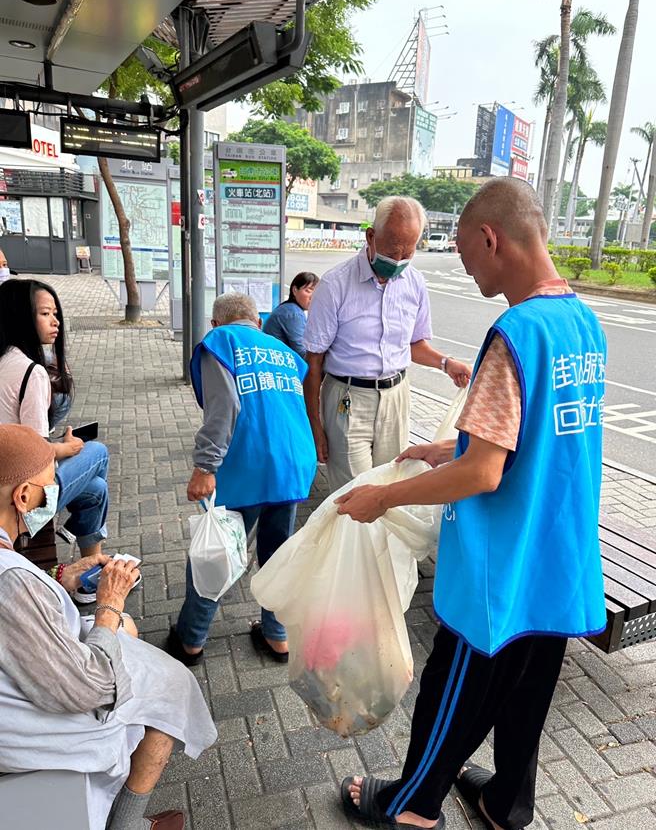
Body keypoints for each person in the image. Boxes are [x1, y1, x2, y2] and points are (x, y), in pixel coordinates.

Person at [335, 178, 608, 830]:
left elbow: (485, 473)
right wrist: (444, 447)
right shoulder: (582, 322)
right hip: (560, 557)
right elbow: (530, 435)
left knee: (451, 690)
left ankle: (413, 806)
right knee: (528, 690)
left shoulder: (514, 333)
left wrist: (384, 496)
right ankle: (506, 799)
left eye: (462, 251)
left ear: (491, 238)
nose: (461, 264)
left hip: (500, 562)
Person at [0, 424, 217, 830]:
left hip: (23, 686)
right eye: (49, 489)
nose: (53, 498)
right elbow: (89, 689)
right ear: (23, 496)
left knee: (129, 633)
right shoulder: (10, 581)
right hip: (29, 728)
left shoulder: (12, 570)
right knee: (168, 687)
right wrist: (109, 605)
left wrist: (60, 575)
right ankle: (127, 823)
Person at [167, 292, 317, 666]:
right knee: (278, 553)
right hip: (294, 463)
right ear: (259, 322)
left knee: (216, 551)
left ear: (215, 324)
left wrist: (205, 466)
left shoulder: (219, 342)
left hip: (248, 465)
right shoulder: (284, 353)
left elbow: (224, 407)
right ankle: (277, 634)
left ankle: (191, 639)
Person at [303, 196, 472, 493]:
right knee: (352, 496)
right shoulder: (335, 285)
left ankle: (380, 542)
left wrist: (446, 364)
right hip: (347, 398)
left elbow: (414, 344)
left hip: (396, 396)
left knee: (391, 485)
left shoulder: (414, 282)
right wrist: (316, 427)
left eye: (408, 253)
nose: (398, 262)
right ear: (371, 236)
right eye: (392, 252)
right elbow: (313, 363)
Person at [0, 279, 110, 570]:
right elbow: (35, 456)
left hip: (7, 480)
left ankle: (88, 571)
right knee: (97, 452)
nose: (55, 321)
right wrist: (65, 447)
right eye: (45, 313)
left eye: (56, 314)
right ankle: (55, 527)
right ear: (21, 316)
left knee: (96, 490)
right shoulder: (30, 372)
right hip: (19, 496)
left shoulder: (5, 360)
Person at [263, 271, 319, 357]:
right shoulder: (293, 313)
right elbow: (302, 352)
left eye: (316, 292)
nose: (312, 296)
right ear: (295, 290)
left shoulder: (288, 308)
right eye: (308, 291)